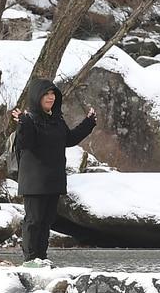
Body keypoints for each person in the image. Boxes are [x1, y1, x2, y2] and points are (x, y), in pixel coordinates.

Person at [11, 79, 96, 266]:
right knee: (34, 220)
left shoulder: (56, 120)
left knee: (46, 221)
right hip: (34, 181)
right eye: (46, 94)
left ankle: (41, 258)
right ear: (37, 97)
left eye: (53, 94)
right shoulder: (29, 119)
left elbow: (69, 139)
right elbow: (26, 144)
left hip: (53, 179)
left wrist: (88, 123)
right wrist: (23, 123)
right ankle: (31, 259)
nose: (50, 97)